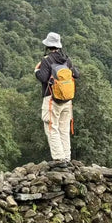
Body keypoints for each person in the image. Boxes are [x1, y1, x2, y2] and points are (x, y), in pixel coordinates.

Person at [34, 32, 79, 163]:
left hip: (52, 99)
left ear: (48, 46)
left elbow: (42, 78)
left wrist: (36, 71)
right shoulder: (67, 59)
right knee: (64, 129)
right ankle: (66, 157)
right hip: (67, 100)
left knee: (51, 127)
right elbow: (76, 74)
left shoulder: (47, 60)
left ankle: (59, 159)